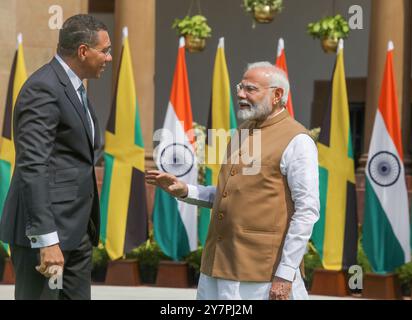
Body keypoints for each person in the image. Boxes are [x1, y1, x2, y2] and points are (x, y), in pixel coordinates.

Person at [146, 62, 319, 300]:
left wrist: (286, 273)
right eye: (240, 87)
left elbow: (307, 211)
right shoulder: (242, 132)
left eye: (250, 89)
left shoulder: (298, 140)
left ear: (277, 94)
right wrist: (185, 190)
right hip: (217, 265)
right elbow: (231, 193)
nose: (240, 94)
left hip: (261, 273)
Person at [0, 14, 112, 300]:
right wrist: (47, 240)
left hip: (76, 234)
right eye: (105, 51)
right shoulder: (44, 88)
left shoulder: (75, 89)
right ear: (83, 51)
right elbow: (33, 165)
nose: (109, 58)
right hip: (47, 239)